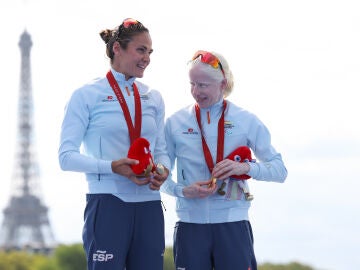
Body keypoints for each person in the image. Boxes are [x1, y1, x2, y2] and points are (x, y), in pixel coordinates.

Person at [58, 18, 170, 270]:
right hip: (108, 201)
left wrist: (163, 170)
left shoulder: (154, 96)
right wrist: (112, 167)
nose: (147, 58)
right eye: (141, 50)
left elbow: (161, 150)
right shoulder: (86, 94)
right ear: (117, 48)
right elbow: (66, 157)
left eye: (150, 52)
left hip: (149, 205)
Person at [161, 50, 288, 270]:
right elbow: (161, 176)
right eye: (192, 84)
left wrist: (245, 167)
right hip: (190, 225)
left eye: (203, 85)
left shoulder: (245, 120)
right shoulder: (175, 123)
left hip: (233, 225)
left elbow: (279, 171)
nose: (196, 92)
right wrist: (183, 191)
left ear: (223, 83)